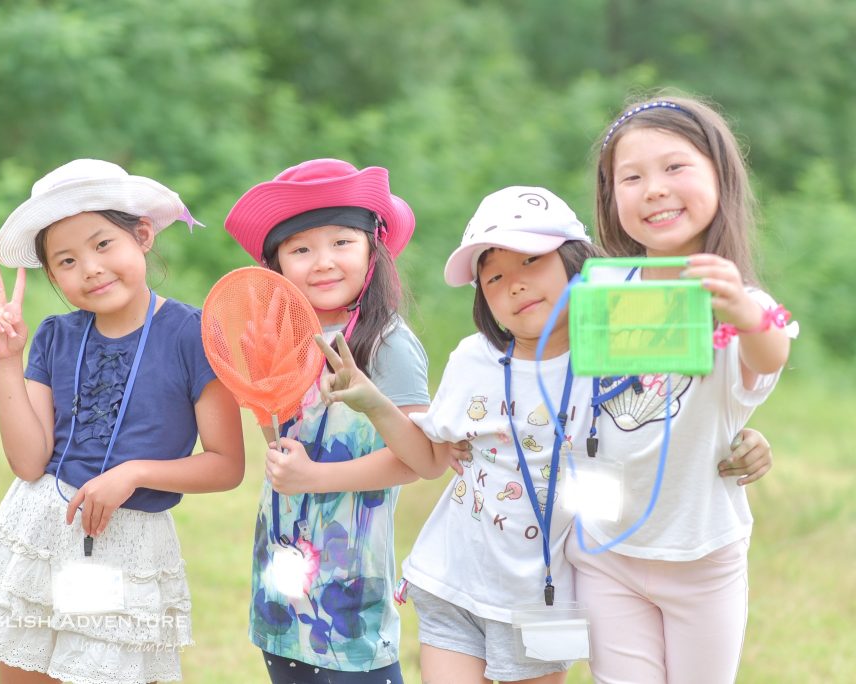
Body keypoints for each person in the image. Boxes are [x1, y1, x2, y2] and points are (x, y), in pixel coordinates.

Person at [313, 186, 778, 684]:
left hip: (542, 597)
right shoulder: (473, 360)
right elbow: (428, 460)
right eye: (493, 277)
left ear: (576, 264)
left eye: (532, 260)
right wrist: (371, 400)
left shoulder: (612, 357)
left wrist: (743, 438)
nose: (514, 285)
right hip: (452, 580)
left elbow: (669, 419)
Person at [0, 158, 245, 684]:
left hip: (127, 545)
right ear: (52, 275)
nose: (90, 268)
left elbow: (226, 465)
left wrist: (134, 473)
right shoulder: (55, 336)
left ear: (141, 236)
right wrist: (7, 358)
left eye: (102, 245)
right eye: (66, 261)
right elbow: (28, 462)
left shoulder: (195, 336)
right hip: (47, 529)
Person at [565, 94, 797, 683]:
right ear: (610, 197)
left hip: (703, 555)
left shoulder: (744, 307)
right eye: (631, 177)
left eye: (675, 167)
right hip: (607, 550)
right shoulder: (598, 293)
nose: (654, 189)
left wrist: (742, 309)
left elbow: (770, 351)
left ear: (719, 177)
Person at [223, 158, 431, 683]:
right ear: (278, 265)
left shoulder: (388, 344)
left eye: (342, 242)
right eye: (301, 249)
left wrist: (317, 477)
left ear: (372, 250)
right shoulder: (285, 338)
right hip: (283, 586)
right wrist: (261, 387)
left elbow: (417, 460)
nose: (323, 262)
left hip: (350, 595)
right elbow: (282, 450)